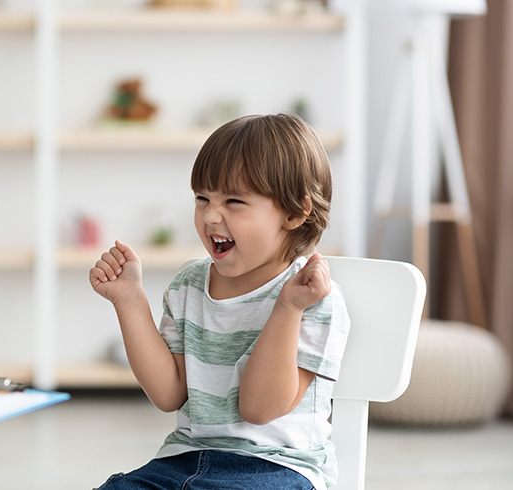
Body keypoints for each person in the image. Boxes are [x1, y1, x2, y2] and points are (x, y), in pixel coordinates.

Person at [88, 114, 351, 490]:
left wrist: (287, 309)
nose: (211, 215)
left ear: (295, 212)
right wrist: (129, 300)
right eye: (202, 198)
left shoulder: (313, 297)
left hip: (276, 468)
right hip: (182, 459)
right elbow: (168, 394)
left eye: (234, 201)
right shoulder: (189, 284)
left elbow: (259, 409)